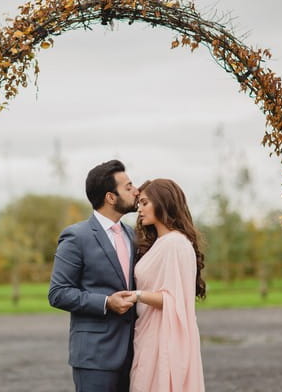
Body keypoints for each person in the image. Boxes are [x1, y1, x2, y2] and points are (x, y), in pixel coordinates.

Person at [48, 159, 139, 392]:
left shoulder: (133, 235)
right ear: (111, 197)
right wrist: (107, 302)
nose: (136, 191)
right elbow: (58, 293)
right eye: (128, 187)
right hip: (95, 357)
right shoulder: (76, 237)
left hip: (135, 353)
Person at [127, 179, 206, 392]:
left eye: (144, 203)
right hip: (148, 335)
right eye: (138, 204)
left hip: (164, 339)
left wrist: (137, 295)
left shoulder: (175, 244)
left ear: (162, 202)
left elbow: (176, 300)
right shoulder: (160, 244)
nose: (140, 210)